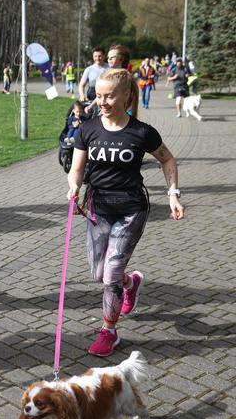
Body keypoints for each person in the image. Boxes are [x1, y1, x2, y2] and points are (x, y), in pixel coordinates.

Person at [67, 68, 184, 357]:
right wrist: (73, 187)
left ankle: (109, 331)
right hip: (98, 209)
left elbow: (168, 159)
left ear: (126, 95)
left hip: (131, 210)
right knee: (98, 273)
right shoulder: (88, 129)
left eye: (109, 96)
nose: (102, 102)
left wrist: (173, 195)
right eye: (98, 95)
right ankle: (131, 284)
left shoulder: (141, 132)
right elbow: (76, 170)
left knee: (111, 273)